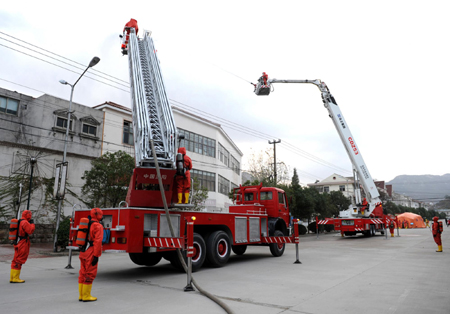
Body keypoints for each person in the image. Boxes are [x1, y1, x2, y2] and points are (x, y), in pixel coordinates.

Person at [78, 208, 104, 302]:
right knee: (90, 273)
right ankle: (86, 296)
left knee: (82, 273)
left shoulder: (86, 224)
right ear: (98, 215)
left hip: (83, 251)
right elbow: (98, 242)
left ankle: (81, 295)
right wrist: (96, 256)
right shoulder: (98, 226)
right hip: (91, 252)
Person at [10, 210, 35, 283]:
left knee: (15, 259)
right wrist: (32, 224)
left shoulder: (20, 221)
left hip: (17, 241)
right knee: (20, 259)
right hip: (23, 242)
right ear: (28, 215)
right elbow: (30, 231)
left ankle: (12, 277)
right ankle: (15, 278)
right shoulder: (25, 222)